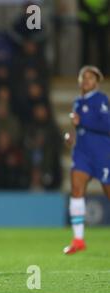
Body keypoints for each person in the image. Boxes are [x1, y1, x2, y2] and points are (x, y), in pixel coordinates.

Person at [63, 66, 110, 254]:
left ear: (97, 82)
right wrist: (71, 138)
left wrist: (82, 122)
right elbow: (80, 128)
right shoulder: (77, 102)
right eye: (84, 77)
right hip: (82, 153)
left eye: (90, 78)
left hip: (102, 154)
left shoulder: (101, 99)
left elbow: (107, 125)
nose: (86, 81)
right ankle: (78, 239)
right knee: (76, 190)